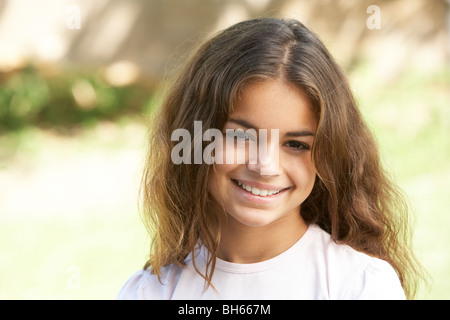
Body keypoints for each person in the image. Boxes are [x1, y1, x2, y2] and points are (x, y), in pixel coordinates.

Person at [117, 17, 423, 299]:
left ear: (330, 157)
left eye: (296, 145)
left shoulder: (359, 285)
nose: (265, 166)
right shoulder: (150, 291)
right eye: (240, 137)